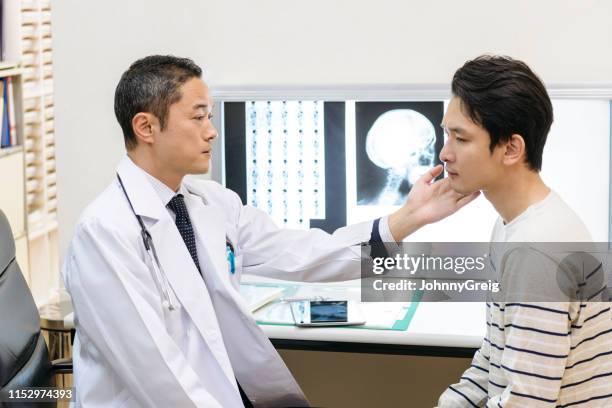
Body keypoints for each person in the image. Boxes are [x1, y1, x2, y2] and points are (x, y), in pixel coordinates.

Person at [62, 55, 479, 408]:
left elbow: (300, 252)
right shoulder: (105, 233)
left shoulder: (209, 203)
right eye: (198, 117)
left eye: (210, 116)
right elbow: (157, 374)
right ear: (146, 127)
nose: (212, 130)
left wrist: (409, 217)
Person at [437, 55, 612, 407]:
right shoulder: (512, 227)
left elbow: (527, 401)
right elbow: (494, 357)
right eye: (446, 135)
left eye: (461, 139)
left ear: (511, 148)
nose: (445, 153)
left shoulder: (537, 250)